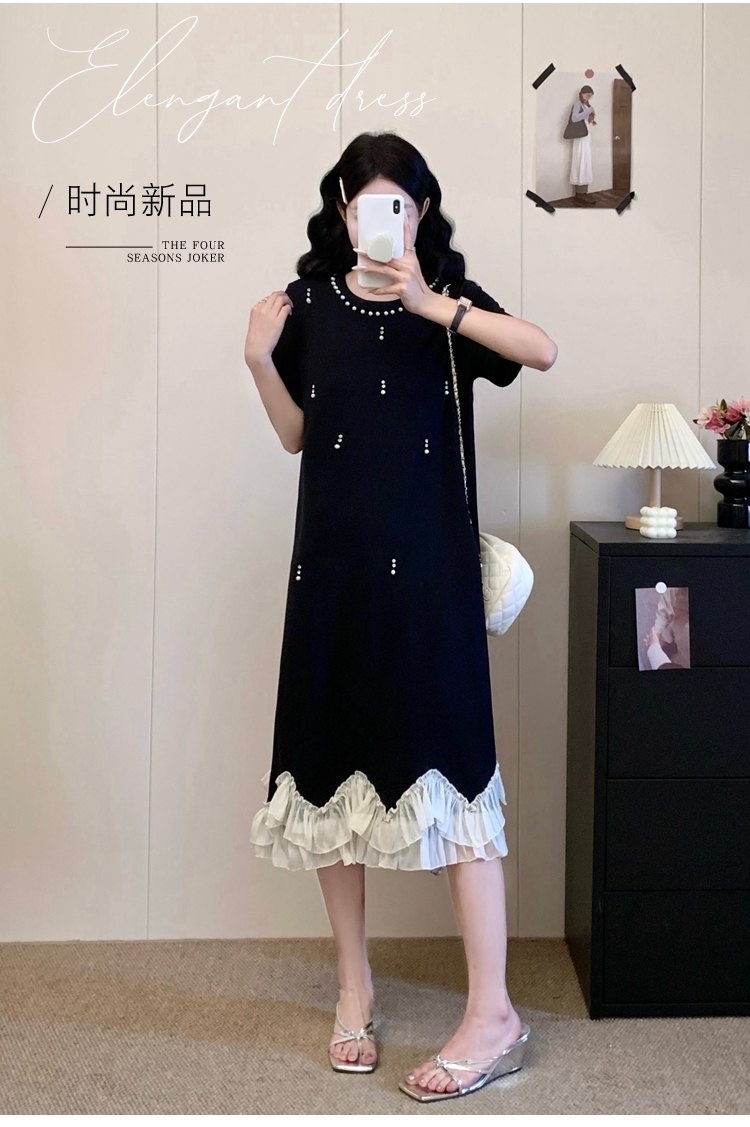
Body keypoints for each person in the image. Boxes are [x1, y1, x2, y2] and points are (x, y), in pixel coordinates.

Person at [243, 131, 557, 1102]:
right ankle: (355, 988)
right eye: (366, 205)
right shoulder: (306, 308)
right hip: (333, 576)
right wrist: (257, 359)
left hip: (430, 581)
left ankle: (493, 1012)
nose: (382, 220)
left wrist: (433, 304)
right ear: (341, 211)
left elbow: (541, 350)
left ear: (421, 212)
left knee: (456, 776)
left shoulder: (448, 303)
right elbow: (299, 435)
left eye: (401, 205)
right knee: (331, 772)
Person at [568, 85, 597, 205]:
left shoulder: (585, 105)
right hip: (580, 138)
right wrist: (588, 111)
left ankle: (583, 192)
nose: (588, 98)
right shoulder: (577, 104)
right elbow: (574, 118)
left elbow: (584, 119)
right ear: (582, 93)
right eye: (587, 95)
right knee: (580, 162)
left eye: (590, 96)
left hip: (585, 137)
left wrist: (591, 119)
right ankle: (580, 194)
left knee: (585, 162)